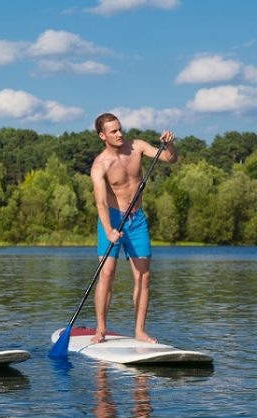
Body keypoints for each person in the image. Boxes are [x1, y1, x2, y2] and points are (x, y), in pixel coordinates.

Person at [90, 113, 177, 344]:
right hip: (111, 218)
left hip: (136, 220)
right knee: (106, 274)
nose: (119, 134)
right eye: (113, 131)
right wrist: (109, 230)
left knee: (143, 276)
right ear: (102, 136)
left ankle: (139, 330)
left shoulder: (136, 147)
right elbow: (100, 203)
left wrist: (169, 144)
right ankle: (101, 330)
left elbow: (169, 158)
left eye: (120, 129)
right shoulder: (100, 165)